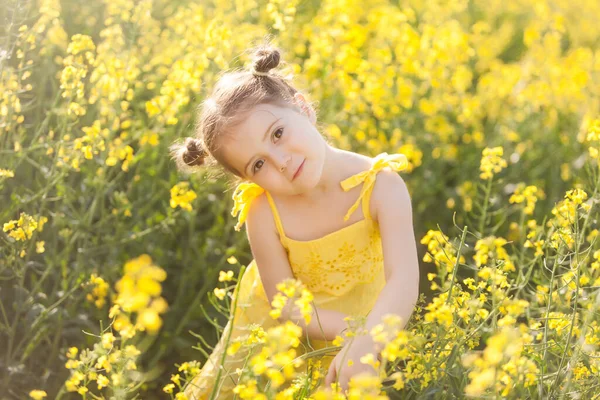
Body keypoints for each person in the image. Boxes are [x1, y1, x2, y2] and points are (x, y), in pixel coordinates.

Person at [170, 40, 420, 399]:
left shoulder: (380, 185)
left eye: (278, 134)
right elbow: (286, 307)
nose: (281, 162)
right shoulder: (264, 212)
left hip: (371, 328)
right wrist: (355, 333)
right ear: (248, 179)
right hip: (278, 338)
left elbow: (404, 280)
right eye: (258, 165)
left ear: (302, 107)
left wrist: (367, 339)